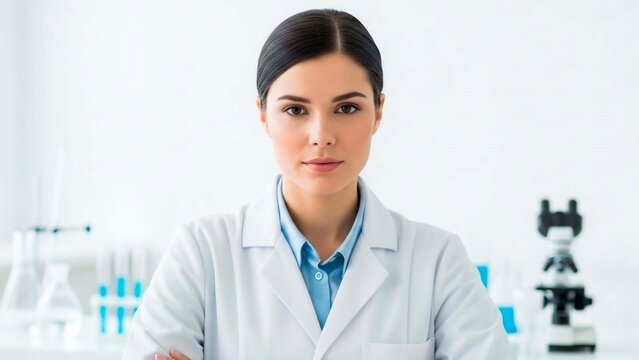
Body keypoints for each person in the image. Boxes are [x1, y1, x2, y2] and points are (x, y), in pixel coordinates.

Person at [122, 8, 514, 360]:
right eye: (295, 109)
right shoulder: (202, 253)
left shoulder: (437, 261)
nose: (321, 135)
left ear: (378, 112)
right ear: (263, 115)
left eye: (347, 108)